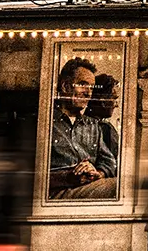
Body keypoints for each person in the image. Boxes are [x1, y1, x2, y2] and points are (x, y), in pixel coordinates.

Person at [49, 58, 119, 199]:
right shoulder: (46, 123)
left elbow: (109, 162)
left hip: (88, 187)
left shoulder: (93, 125)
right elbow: (29, 173)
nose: (88, 93)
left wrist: (98, 173)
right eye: (83, 85)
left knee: (126, 185)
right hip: (56, 193)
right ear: (66, 87)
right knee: (121, 188)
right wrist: (67, 177)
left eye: (91, 88)